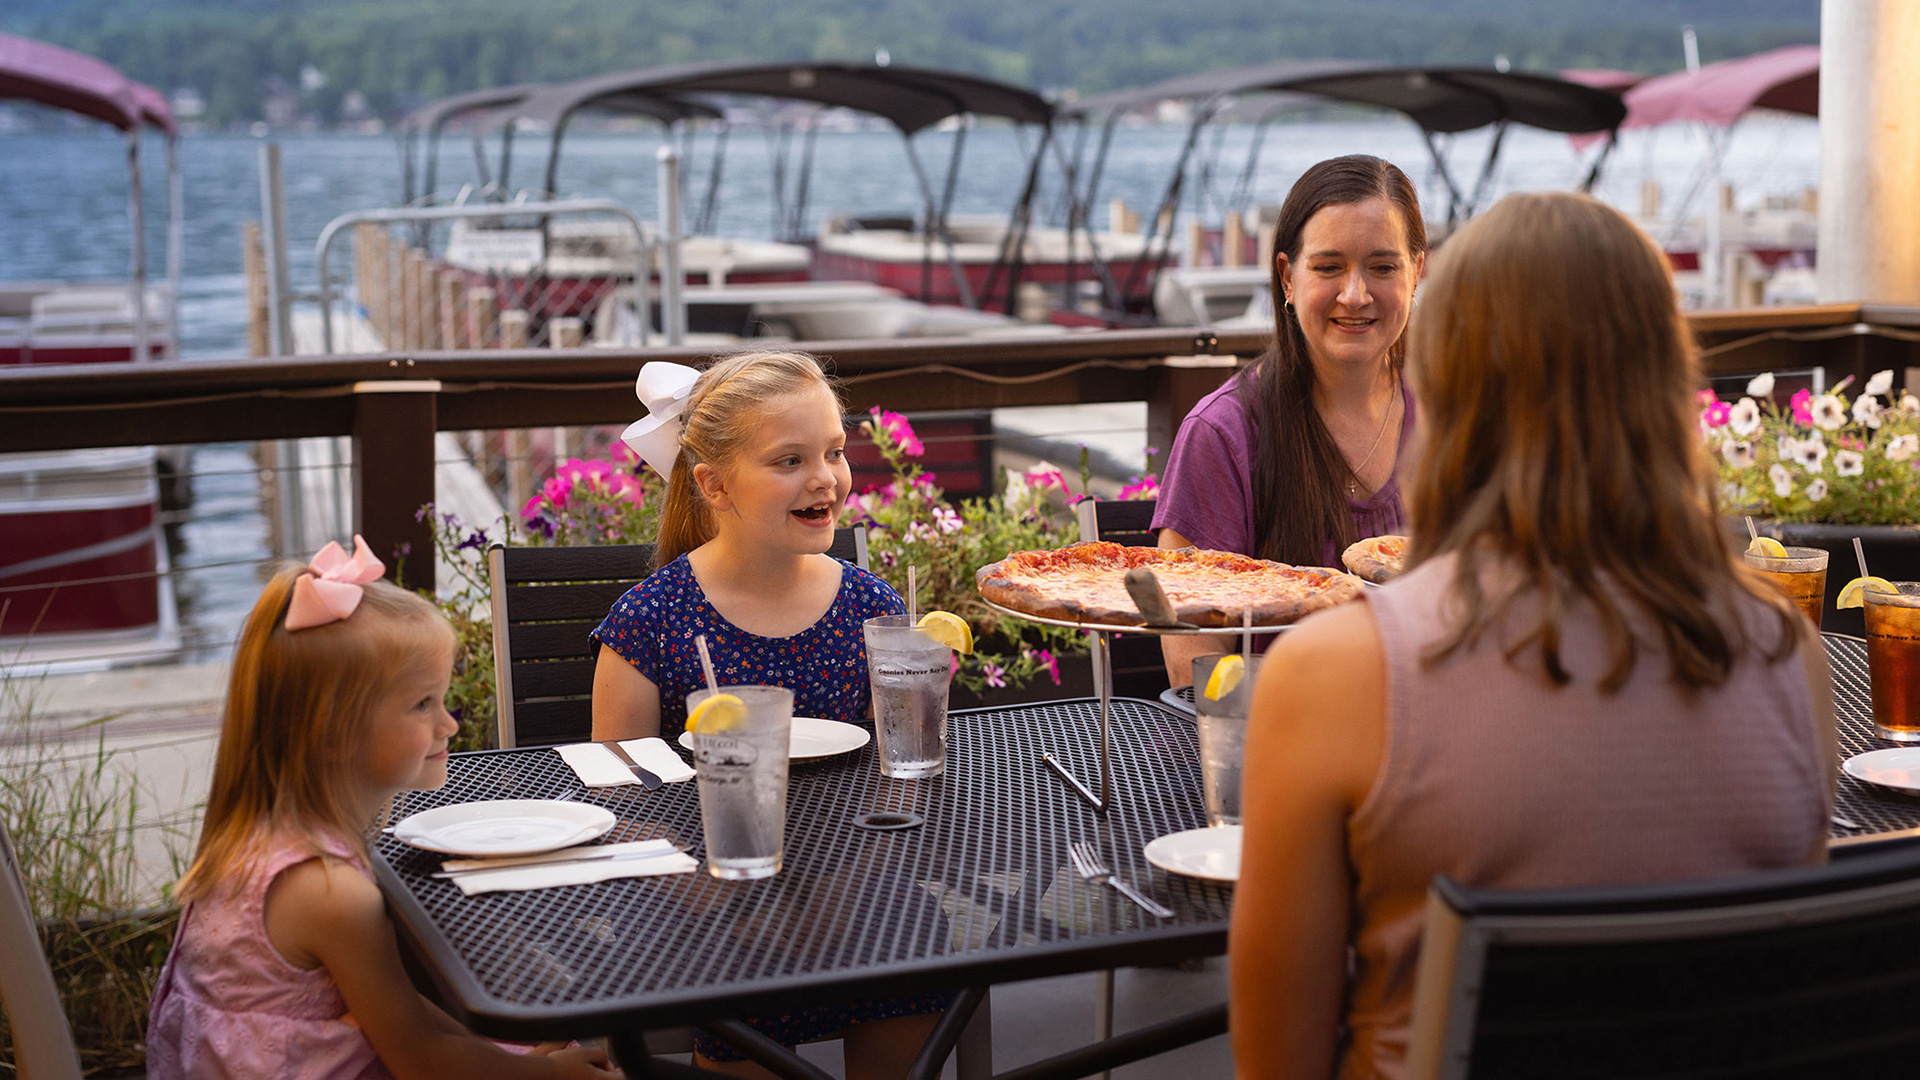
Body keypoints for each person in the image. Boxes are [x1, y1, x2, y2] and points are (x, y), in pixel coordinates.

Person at [1227, 192, 1836, 1079]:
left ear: (1440, 385)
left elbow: (1277, 1066)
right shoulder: (1789, 657)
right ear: (1668, 381)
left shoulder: (1335, 675)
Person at [590, 351, 944, 1078]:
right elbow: (616, 795)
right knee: (741, 1005)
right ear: (714, 484)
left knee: (912, 962)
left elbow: (904, 774)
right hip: (714, 908)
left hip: (864, 887)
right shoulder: (650, 620)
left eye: (835, 452)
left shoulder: (873, 608)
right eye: (789, 460)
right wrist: (719, 899)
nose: (825, 478)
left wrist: (848, 888)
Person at [149, 536, 619, 1080]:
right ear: (330, 732)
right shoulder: (330, 892)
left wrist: (500, 1057)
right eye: (423, 703)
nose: (449, 724)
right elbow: (419, 1060)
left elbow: (392, 1007)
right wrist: (551, 1075)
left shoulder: (263, 835)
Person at [1152, 154, 1427, 685]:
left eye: (1383, 266)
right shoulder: (1224, 434)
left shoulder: (1455, 413)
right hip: (1279, 750)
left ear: (1418, 270)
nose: (1355, 294)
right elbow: (1197, 674)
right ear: (1287, 276)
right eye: (1328, 267)